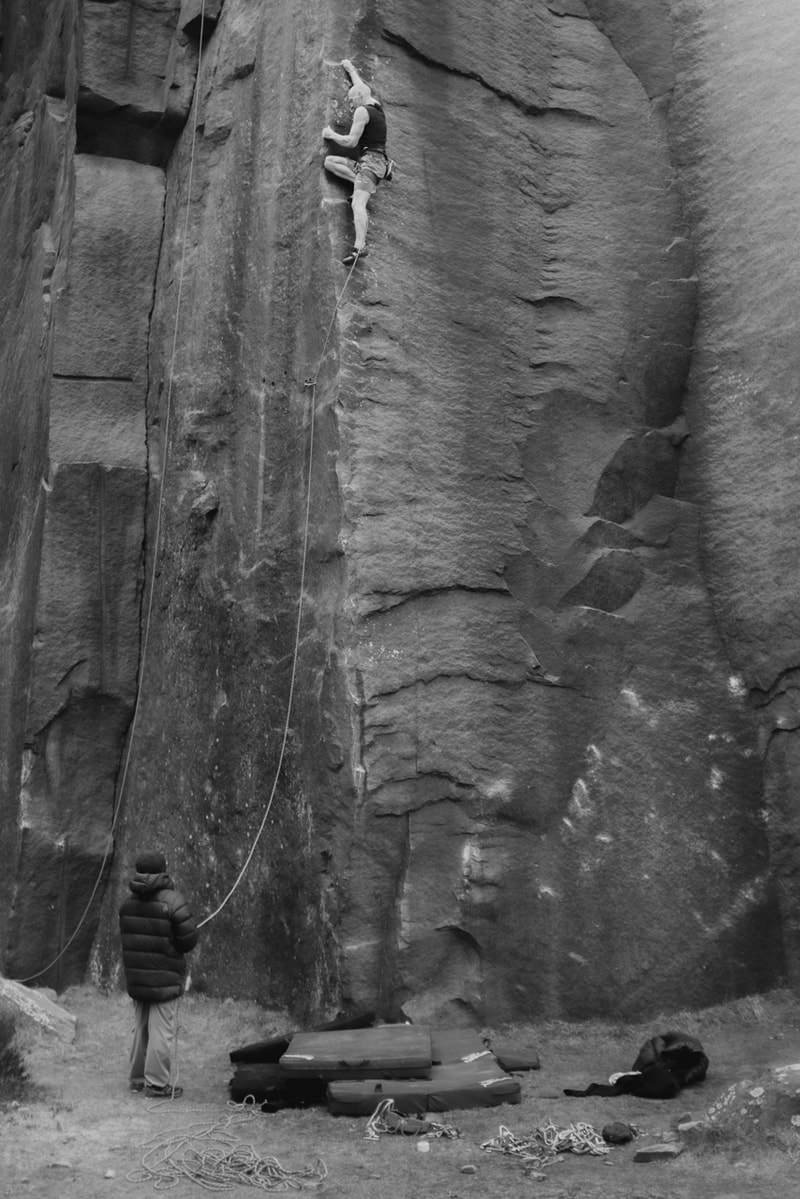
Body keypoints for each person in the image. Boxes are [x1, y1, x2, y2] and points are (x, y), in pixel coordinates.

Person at [118, 851, 198, 1099]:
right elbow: (188, 942)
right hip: (164, 978)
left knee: (141, 1028)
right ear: (163, 871)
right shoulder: (173, 902)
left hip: (137, 978)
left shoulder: (127, 904)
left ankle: (136, 1080)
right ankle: (157, 1084)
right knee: (162, 1031)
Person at [322, 59, 393, 264]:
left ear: (360, 98)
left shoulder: (362, 111)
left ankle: (359, 246)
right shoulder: (375, 106)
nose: (350, 104)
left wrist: (331, 134)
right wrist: (351, 70)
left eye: (352, 100)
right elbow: (361, 88)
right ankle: (360, 184)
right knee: (330, 162)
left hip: (371, 163)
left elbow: (351, 141)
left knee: (358, 204)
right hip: (370, 163)